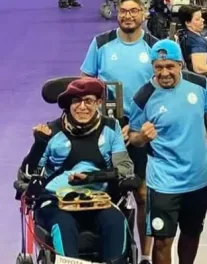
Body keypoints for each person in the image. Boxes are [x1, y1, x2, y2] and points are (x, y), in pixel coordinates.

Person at [128, 39, 207, 264]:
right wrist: (141, 137)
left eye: (170, 66)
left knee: (192, 234)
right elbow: (133, 137)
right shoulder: (142, 97)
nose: (164, 73)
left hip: (198, 179)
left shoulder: (200, 85)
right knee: (162, 241)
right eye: (158, 67)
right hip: (163, 182)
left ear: (180, 64)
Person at [17, 78, 134, 263]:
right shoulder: (50, 132)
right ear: (68, 105)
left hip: (98, 201)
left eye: (88, 101)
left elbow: (125, 168)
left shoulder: (111, 128)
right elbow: (26, 175)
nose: (82, 107)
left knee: (116, 222)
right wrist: (38, 146)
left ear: (98, 103)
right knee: (63, 225)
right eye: (76, 101)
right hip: (55, 202)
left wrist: (93, 177)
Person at [80, 0, 157, 261]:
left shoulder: (154, 46)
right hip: (105, 132)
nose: (128, 16)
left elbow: (164, 88)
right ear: (117, 14)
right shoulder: (100, 43)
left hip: (142, 133)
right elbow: (85, 83)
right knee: (102, 192)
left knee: (144, 194)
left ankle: (145, 256)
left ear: (143, 15)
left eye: (134, 11)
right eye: (123, 11)